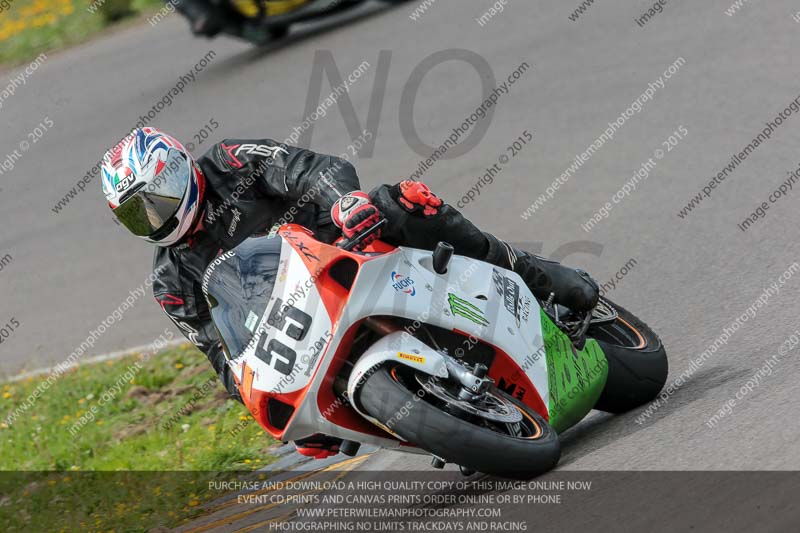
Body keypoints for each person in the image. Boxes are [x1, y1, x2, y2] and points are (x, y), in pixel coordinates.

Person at [101, 127, 598, 459]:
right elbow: (224, 357)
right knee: (314, 417)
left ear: (178, 168)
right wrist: (278, 413)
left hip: (346, 244)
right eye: (137, 214)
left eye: (154, 199)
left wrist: (345, 203)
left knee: (405, 202)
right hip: (299, 324)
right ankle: (441, 418)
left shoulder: (232, 161)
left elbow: (309, 168)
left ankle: (533, 274)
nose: (154, 217)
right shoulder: (170, 281)